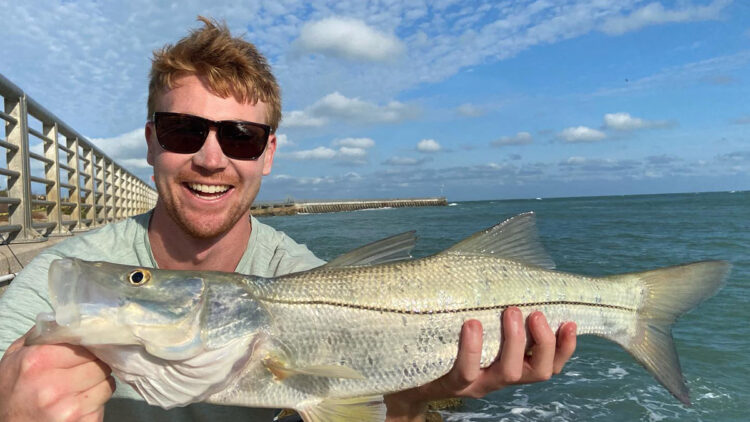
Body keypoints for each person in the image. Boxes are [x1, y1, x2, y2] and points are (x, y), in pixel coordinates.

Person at [0, 17, 577, 422]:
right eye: (183, 131)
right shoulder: (57, 285)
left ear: (269, 154)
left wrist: (425, 397)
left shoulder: (302, 273)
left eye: (241, 137)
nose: (210, 158)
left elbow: (362, 411)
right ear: (151, 142)